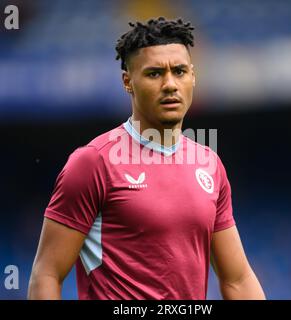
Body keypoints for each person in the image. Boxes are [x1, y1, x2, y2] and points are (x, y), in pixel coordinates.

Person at [28, 17, 265, 300]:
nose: (170, 84)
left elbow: (237, 278)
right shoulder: (93, 163)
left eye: (179, 71)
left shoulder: (209, 164)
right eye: (154, 73)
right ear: (128, 81)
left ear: (193, 76)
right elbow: (47, 274)